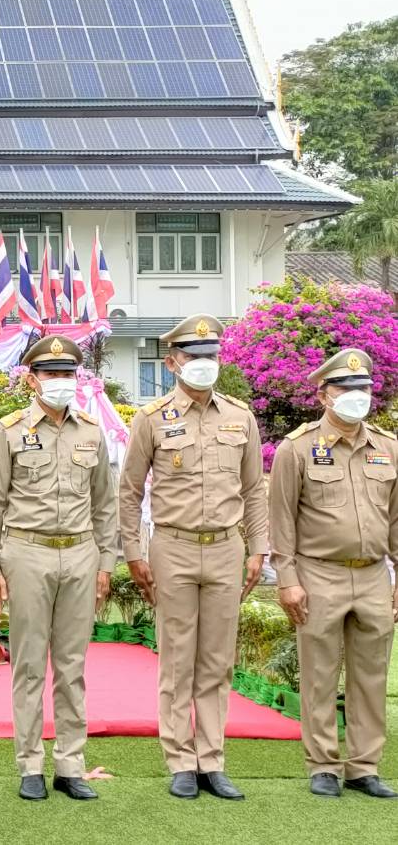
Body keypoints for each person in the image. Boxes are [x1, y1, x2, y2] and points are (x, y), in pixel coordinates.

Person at [118, 313, 267, 800]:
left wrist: (258, 548)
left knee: (218, 661)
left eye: (211, 355)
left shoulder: (240, 417)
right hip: (174, 547)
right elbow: (129, 491)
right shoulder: (151, 418)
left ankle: (212, 760)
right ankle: (181, 760)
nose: (204, 363)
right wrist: (133, 551)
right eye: (193, 355)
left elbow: (254, 490)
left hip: (226, 547)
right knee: (178, 659)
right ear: (172, 362)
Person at [0, 337, 117, 802]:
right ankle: (30, 765)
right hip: (27, 552)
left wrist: (106, 561)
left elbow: (105, 504)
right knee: (29, 664)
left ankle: (70, 764)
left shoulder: (91, 431)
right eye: (51, 374)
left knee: (72, 666)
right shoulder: (10, 430)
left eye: (67, 374)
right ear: (32, 379)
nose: (60, 382)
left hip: (80, 553)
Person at [270, 348, 398, 800]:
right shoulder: (298, 448)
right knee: (320, 674)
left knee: (371, 676)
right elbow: (281, 520)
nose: (355, 395)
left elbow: (396, 519)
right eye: (345, 388)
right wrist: (288, 580)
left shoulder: (387, 447)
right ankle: (323, 764)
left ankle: (363, 766)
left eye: (363, 388)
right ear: (323, 394)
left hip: (373, 575)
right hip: (319, 573)